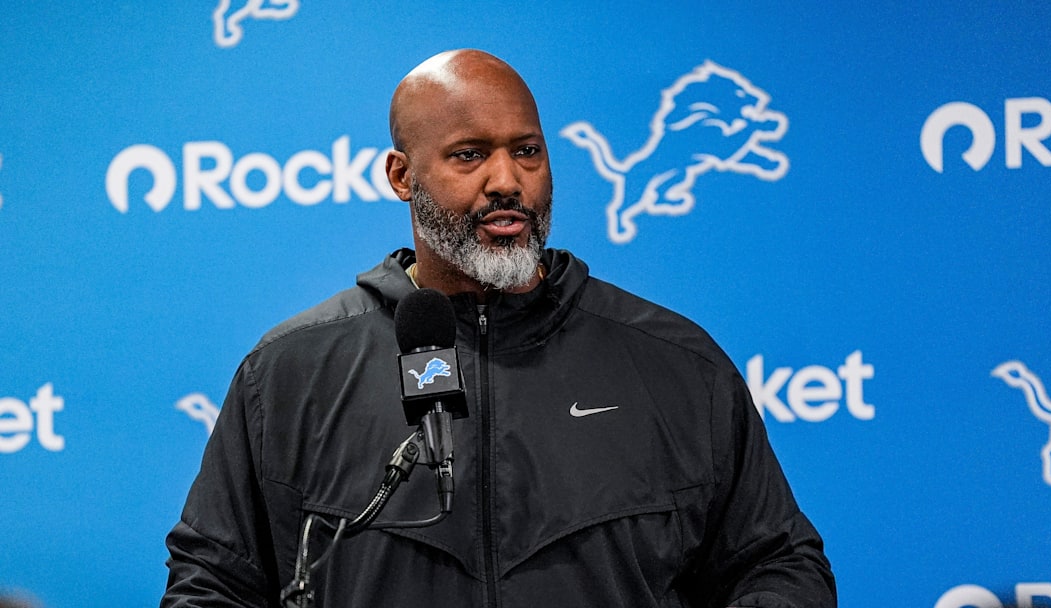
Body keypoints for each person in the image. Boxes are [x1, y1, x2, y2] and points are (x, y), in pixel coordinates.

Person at [161, 49, 836, 608]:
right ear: (402, 175)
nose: (507, 181)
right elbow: (213, 582)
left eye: (528, 152)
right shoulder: (290, 371)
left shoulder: (676, 364)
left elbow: (779, 567)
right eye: (469, 155)